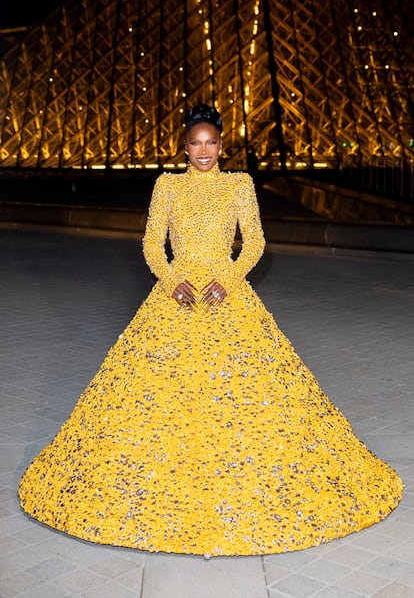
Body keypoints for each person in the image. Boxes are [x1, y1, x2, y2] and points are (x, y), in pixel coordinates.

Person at [18, 104, 403, 557]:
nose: (204, 150)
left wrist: (231, 278)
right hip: (176, 292)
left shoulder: (239, 184)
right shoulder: (168, 185)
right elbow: (150, 242)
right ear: (185, 147)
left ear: (222, 146)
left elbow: (256, 241)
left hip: (227, 292)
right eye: (195, 143)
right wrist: (169, 278)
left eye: (212, 143)